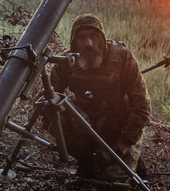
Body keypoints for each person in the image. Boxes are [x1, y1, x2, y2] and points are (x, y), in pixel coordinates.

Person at [48, 13, 152, 182]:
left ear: (102, 39)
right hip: (86, 127)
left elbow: (142, 106)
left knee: (112, 181)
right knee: (54, 116)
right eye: (82, 38)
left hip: (119, 130)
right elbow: (47, 98)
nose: (89, 44)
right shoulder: (67, 61)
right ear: (74, 42)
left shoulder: (122, 57)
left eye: (94, 37)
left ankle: (132, 155)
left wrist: (121, 147)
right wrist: (70, 112)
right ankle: (87, 160)